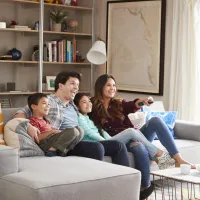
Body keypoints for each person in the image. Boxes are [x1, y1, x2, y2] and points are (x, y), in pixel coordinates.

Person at [89, 74, 195, 200]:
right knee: (138, 146)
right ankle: (145, 187)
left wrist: (143, 102)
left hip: (136, 135)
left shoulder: (119, 103)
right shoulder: (92, 105)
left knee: (155, 121)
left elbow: (133, 105)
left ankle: (178, 159)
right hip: (120, 141)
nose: (112, 88)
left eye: (114, 85)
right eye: (108, 85)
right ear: (100, 87)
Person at [14, 71, 130, 167]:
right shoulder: (49, 101)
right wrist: (28, 126)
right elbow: (20, 113)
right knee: (97, 148)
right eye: (72, 84)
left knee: (118, 146)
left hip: (77, 139)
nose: (76, 88)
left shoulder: (72, 104)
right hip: (62, 142)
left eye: (77, 85)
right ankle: (96, 184)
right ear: (60, 86)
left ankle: (128, 186)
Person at [74, 93, 175, 168]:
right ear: (77, 106)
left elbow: (101, 131)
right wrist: (106, 142)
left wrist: (110, 140)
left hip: (106, 141)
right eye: (84, 102)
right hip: (99, 144)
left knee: (136, 133)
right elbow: (89, 133)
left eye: (89, 101)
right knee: (131, 132)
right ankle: (159, 154)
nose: (88, 104)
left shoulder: (88, 117)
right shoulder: (80, 117)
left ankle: (161, 158)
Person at [28, 93, 83, 157]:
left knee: (80, 130)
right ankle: (52, 151)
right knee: (73, 131)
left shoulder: (45, 120)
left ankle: (64, 150)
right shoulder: (32, 121)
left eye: (48, 104)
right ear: (34, 106)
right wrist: (52, 131)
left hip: (52, 140)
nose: (48, 106)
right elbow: (37, 138)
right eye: (44, 103)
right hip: (44, 144)